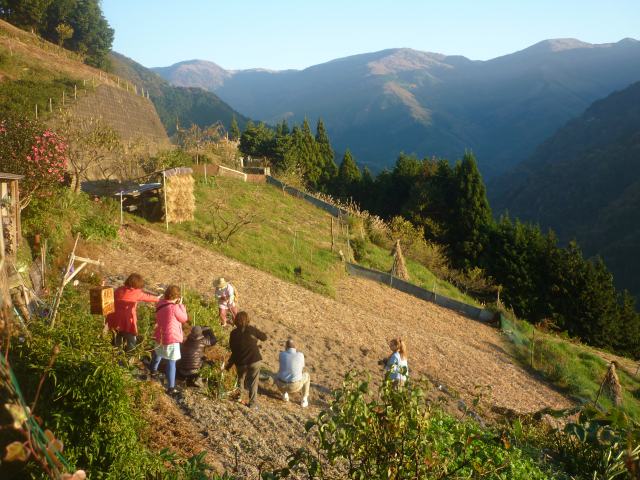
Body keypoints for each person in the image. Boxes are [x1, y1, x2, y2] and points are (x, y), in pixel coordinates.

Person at [149, 285, 188, 395]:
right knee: (172, 361)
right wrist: (181, 305)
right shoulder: (175, 307)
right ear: (177, 296)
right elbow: (184, 318)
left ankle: (153, 370)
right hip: (171, 337)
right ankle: (171, 387)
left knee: (158, 353)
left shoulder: (160, 303)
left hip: (160, 334)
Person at [106, 273, 159, 352]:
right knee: (131, 342)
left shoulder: (119, 290)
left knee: (117, 339)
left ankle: (117, 358)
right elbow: (148, 297)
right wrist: (158, 299)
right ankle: (130, 358)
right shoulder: (137, 293)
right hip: (127, 322)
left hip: (114, 320)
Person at [224, 311, 266, 409]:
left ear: (236, 321)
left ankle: (238, 397)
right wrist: (254, 338)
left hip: (241, 362)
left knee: (240, 378)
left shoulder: (233, 333)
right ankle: (253, 404)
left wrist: (228, 366)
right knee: (253, 382)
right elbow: (264, 337)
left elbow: (233, 351)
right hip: (254, 359)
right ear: (247, 320)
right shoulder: (251, 329)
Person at [275, 338, 310, 408]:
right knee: (307, 375)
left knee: (279, 373)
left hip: (281, 385)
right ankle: (304, 399)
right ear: (295, 347)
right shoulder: (300, 355)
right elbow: (302, 367)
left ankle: (284, 394)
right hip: (295, 386)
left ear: (286, 347)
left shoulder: (281, 354)